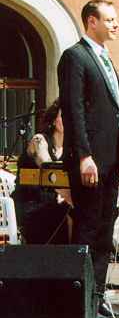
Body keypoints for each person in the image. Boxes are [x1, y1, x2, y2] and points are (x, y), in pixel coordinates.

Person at [57, 0, 119, 318]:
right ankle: (78, 301)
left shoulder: (105, 57)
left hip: (111, 162)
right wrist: (84, 155)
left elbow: (114, 111)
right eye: (110, 19)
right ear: (91, 21)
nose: (116, 25)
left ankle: (96, 297)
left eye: (116, 19)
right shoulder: (76, 57)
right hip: (91, 162)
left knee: (104, 231)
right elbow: (74, 111)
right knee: (87, 229)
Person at [12, 99, 72, 244]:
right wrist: (67, 195)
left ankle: (75, 255)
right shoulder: (39, 140)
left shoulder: (72, 149)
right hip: (32, 202)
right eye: (63, 116)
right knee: (72, 209)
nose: (68, 120)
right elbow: (47, 167)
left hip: (57, 202)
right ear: (53, 120)